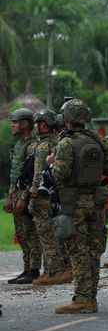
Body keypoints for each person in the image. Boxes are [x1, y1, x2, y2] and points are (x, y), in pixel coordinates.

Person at [47, 99, 108, 314]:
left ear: (66, 119)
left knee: (78, 252)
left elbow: (60, 173)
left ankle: (82, 299)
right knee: (93, 251)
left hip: (74, 204)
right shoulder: (99, 141)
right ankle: (92, 298)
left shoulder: (66, 143)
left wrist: (51, 164)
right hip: (97, 203)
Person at [29, 109, 72, 286]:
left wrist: (33, 195)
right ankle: (59, 268)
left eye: (37, 124)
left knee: (46, 235)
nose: (36, 128)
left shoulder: (42, 146)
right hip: (58, 196)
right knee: (57, 234)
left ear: (43, 124)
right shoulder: (60, 141)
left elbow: (39, 175)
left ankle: (53, 271)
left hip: (43, 196)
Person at [6, 108, 40, 285]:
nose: (12, 126)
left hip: (26, 194)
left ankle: (34, 270)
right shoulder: (20, 144)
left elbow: (32, 174)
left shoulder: (32, 146)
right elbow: (15, 173)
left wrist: (23, 197)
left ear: (25, 124)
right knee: (21, 234)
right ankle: (27, 269)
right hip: (16, 193)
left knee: (30, 233)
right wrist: (11, 196)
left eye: (15, 122)